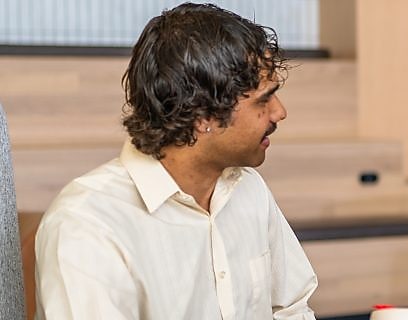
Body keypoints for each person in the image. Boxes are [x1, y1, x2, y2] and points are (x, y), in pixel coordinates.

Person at [35, 3, 318, 319]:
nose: (280, 112)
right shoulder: (88, 224)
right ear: (202, 116)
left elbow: (291, 309)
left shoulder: (248, 188)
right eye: (264, 99)